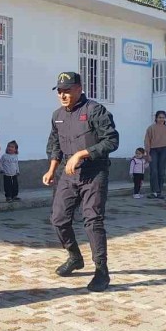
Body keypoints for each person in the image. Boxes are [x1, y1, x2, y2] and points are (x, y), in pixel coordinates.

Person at [43, 71, 120, 292]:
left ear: (79, 88)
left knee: (92, 220)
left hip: (94, 172)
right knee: (58, 218)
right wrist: (51, 170)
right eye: (59, 91)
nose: (63, 95)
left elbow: (112, 140)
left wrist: (82, 153)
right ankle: (75, 256)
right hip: (68, 173)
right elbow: (55, 144)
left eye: (67, 90)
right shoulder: (57, 115)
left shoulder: (95, 110)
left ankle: (101, 271)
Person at [143, 110, 166, 199]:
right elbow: (147, 141)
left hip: (163, 150)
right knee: (154, 171)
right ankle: (154, 191)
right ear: (156, 118)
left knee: (161, 171)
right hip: (153, 150)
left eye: (163, 117)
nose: (161, 119)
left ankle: (159, 192)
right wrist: (147, 153)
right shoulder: (151, 128)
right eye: (159, 117)